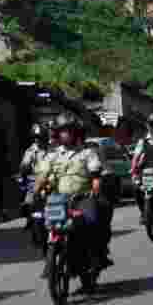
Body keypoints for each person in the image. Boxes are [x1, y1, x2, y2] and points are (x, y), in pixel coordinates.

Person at [36, 113, 112, 288]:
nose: (66, 134)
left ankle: (94, 260)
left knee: (91, 222)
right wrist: (36, 192)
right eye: (62, 131)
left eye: (69, 131)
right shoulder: (51, 155)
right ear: (57, 133)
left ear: (76, 133)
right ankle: (51, 259)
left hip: (82, 198)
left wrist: (94, 191)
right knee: (41, 223)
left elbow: (95, 176)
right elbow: (42, 176)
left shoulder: (87, 152)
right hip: (57, 200)